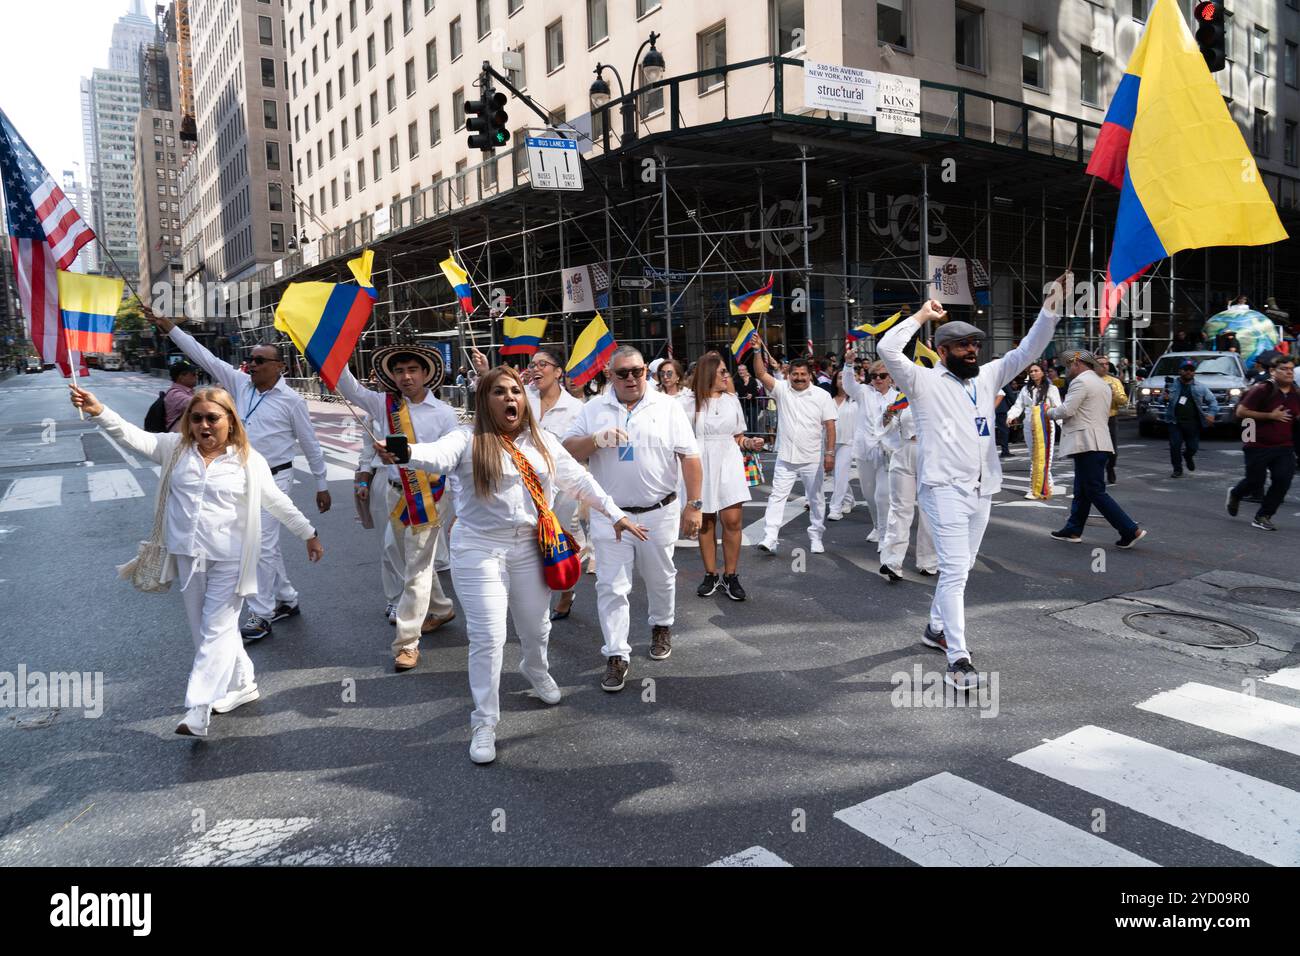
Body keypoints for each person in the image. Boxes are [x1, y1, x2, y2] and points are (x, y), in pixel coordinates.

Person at [380, 366, 643, 763]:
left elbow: (578, 481)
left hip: (531, 547)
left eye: (516, 391)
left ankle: (535, 668)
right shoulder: (467, 440)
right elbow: (435, 456)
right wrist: (407, 452)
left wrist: (615, 513)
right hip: (479, 549)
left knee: (536, 628)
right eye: (499, 392)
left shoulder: (542, 442)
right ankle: (484, 721)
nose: (510, 399)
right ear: (484, 401)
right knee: (488, 639)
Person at [70, 382, 322, 738]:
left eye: (213, 418)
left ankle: (198, 706)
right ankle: (244, 683)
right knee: (204, 631)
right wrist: (99, 411)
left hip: (231, 559)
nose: (205, 425)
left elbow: (276, 502)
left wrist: (308, 533)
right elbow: (131, 436)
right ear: (188, 421)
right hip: (188, 557)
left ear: (230, 421)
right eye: (197, 418)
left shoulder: (249, 460)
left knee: (216, 629)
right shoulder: (174, 449)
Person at [879, 285, 1065, 690]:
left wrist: (1049, 309)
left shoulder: (987, 377)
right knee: (955, 573)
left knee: (960, 567)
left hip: (983, 488)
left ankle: (934, 628)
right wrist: (921, 317)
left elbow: (1027, 351)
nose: (972, 351)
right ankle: (957, 656)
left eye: (975, 345)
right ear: (943, 352)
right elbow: (888, 350)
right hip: (942, 488)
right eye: (962, 346)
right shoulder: (922, 382)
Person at [146, 311, 331, 642]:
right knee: (265, 547)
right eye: (251, 359)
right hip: (236, 477)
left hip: (275, 478)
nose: (253, 364)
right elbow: (202, 355)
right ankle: (286, 598)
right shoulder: (240, 384)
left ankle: (262, 613)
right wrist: (172, 328)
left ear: (280, 367)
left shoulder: (292, 402)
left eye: (261, 360)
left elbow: (311, 444)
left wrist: (321, 484)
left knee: (259, 544)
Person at [562, 347, 703, 689]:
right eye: (622, 373)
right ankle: (616, 653)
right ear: (609, 375)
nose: (631, 378)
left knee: (660, 576)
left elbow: (690, 457)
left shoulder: (667, 407)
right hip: (610, 514)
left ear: (646, 372)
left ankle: (660, 625)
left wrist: (694, 504)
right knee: (611, 585)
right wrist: (595, 440)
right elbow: (568, 450)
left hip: (659, 511)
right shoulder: (594, 408)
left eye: (637, 371)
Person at [337, 345, 460, 671]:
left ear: (426, 374)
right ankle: (442, 607)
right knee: (412, 561)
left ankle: (407, 642)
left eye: (412, 370)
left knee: (416, 568)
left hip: (429, 496)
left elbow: (456, 459)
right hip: (395, 493)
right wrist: (333, 351)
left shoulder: (444, 413)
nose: (406, 377)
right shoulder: (383, 405)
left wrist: (459, 508)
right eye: (400, 371)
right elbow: (348, 387)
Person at [683, 352, 763, 600]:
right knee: (706, 522)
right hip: (701, 463)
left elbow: (737, 436)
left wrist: (749, 442)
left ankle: (731, 575)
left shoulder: (731, 400)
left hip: (729, 462)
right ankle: (710, 574)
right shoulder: (688, 402)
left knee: (732, 521)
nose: (727, 376)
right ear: (708, 374)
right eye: (722, 372)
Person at [1048, 350, 1146, 548]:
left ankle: (1129, 529)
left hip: (1087, 443)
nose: (1067, 369)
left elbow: (1067, 410)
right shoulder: (1103, 383)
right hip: (1098, 442)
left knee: (1094, 491)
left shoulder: (1081, 382)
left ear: (1078, 363)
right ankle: (1073, 529)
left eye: (1069, 365)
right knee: (1082, 490)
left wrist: (1048, 412)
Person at [750, 348, 837, 555]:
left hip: (812, 458)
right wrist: (755, 351)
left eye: (802, 375)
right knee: (777, 497)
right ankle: (770, 537)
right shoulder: (782, 389)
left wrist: (829, 454)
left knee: (815, 498)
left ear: (810, 375)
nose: (799, 378)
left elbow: (830, 426)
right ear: (789, 375)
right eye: (795, 374)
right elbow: (761, 374)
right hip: (786, 456)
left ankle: (816, 535)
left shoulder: (822, 395)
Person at [1227, 354, 1299, 531]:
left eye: (1291, 369)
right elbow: (1241, 412)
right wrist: (1270, 416)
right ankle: (1236, 494)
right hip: (1256, 442)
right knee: (1254, 481)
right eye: (1284, 369)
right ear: (1273, 371)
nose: (1289, 373)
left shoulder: (1296, 393)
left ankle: (1263, 516)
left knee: (1283, 480)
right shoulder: (1262, 389)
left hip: (1284, 445)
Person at [877, 384, 938, 582]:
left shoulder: (941, 394)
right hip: (904, 451)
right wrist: (888, 416)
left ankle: (928, 561)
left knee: (929, 509)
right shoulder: (903, 397)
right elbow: (890, 428)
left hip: (931, 454)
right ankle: (892, 561)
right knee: (899, 508)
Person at [840, 359, 895, 544]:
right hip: (865, 450)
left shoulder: (898, 397)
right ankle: (877, 526)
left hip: (887, 452)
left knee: (882, 495)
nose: (878, 379)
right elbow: (848, 385)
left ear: (890, 378)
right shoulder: (864, 392)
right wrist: (848, 365)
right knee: (869, 494)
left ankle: (885, 536)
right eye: (874, 376)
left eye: (882, 376)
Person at [1006, 362, 1064, 498]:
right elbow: (1018, 405)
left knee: (1045, 457)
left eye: (1036, 371)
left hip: (1046, 426)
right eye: (1031, 371)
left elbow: (1058, 408)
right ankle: (1047, 483)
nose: (1033, 373)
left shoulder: (1051, 389)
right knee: (1034, 457)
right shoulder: (1025, 389)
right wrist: (1011, 416)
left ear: (1042, 372)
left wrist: (1063, 425)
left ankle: (1034, 489)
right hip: (1029, 425)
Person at [1162, 359, 1219, 478]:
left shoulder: (1200, 387)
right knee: (1174, 446)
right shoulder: (1171, 385)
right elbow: (1161, 400)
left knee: (1193, 447)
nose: (1189, 372)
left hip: (1193, 422)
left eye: (1191, 370)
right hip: (1174, 421)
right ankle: (1177, 469)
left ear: (1194, 373)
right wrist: (1164, 398)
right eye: (1186, 370)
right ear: (1180, 371)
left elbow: (1213, 401)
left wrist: (1211, 414)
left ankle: (1188, 456)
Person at [827, 369, 860, 521]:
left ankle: (835, 508)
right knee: (838, 475)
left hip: (849, 442)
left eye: (844, 378)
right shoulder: (828, 399)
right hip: (830, 442)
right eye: (839, 377)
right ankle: (848, 500)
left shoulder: (857, 399)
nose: (842, 380)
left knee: (840, 475)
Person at [1095, 356, 1128, 483]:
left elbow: (1124, 401)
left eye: (1106, 364)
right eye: (1101, 364)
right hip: (1093, 419)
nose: (1104, 366)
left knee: (1112, 450)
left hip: (1110, 418)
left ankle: (1110, 467)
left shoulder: (1114, 381)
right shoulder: (1088, 380)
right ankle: (1097, 474)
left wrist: (1113, 393)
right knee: (1096, 450)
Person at [163, 361, 199, 432]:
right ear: (181, 377)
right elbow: (199, 404)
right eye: (193, 374)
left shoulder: (187, 391)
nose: (196, 376)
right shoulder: (175, 394)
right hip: (179, 438)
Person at [734, 361, 764, 433]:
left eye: (742, 370)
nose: (741, 372)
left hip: (752, 403)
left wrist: (752, 395)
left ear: (746, 370)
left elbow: (756, 391)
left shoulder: (752, 380)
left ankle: (754, 435)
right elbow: (739, 392)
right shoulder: (737, 381)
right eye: (739, 370)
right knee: (743, 420)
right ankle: (745, 436)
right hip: (742, 404)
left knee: (752, 420)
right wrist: (744, 386)